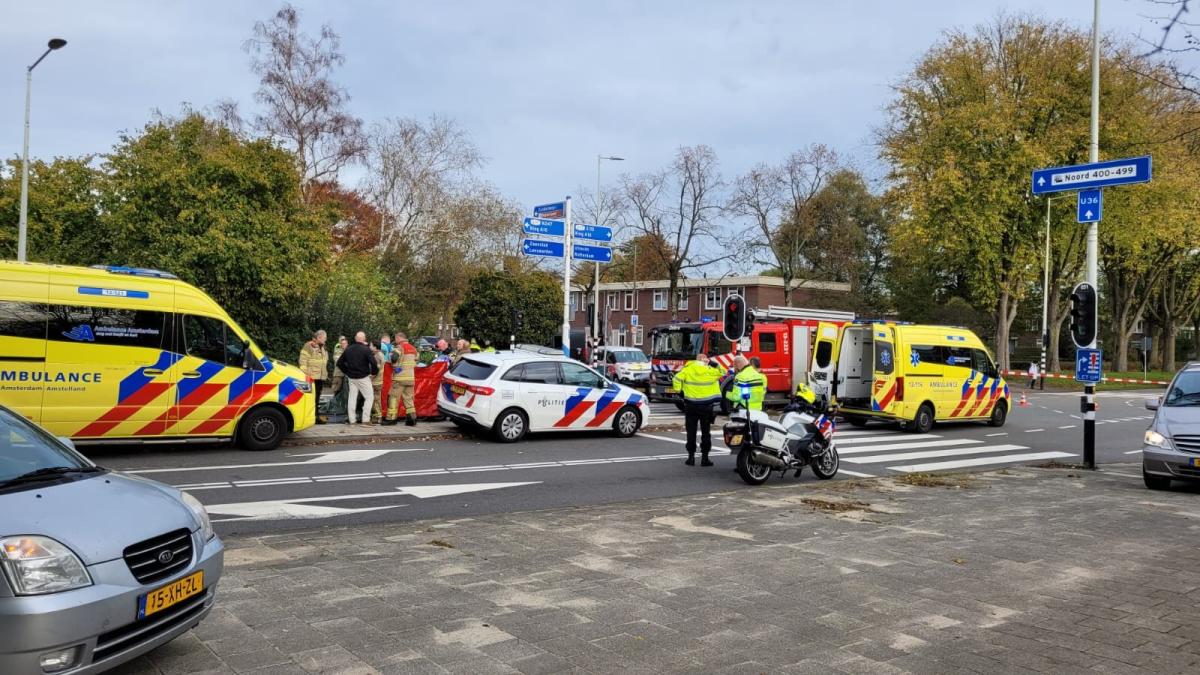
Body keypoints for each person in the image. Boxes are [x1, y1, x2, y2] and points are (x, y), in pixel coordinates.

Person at [673, 352, 723, 467]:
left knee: (691, 432)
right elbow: (723, 372)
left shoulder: (688, 369)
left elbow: (676, 379)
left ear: (696, 360)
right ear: (705, 360)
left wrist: (679, 391)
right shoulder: (710, 370)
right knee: (706, 432)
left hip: (691, 405)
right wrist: (712, 363)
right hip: (706, 406)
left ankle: (691, 458)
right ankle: (705, 458)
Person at [336, 332, 377, 424]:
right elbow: (373, 363)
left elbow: (339, 363)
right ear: (364, 339)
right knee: (369, 397)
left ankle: (352, 420)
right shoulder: (366, 349)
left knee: (352, 397)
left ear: (355, 338)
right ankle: (366, 420)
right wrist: (373, 373)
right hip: (363, 377)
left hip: (351, 377)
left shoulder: (348, 349)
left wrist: (347, 372)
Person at [384, 332, 420, 426]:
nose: (395, 341)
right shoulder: (413, 349)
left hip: (399, 378)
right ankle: (412, 419)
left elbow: (394, 357)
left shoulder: (399, 347)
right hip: (411, 378)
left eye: (396, 339)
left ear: (399, 338)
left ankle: (391, 419)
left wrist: (396, 366)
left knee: (393, 397)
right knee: (408, 398)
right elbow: (417, 361)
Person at [298, 330, 329, 424]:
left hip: (320, 377)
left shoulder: (323, 347)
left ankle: (315, 416)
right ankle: (311, 417)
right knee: (311, 398)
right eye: (324, 337)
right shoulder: (308, 346)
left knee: (317, 398)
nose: (325, 339)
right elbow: (303, 362)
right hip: (311, 378)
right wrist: (307, 375)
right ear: (319, 337)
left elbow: (324, 362)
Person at [370, 343, 387, 424]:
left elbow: (376, 370)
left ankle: (377, 417)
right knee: (377, 399)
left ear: (375, 347)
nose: (370, 347)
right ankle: (378, 416)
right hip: (379, 380)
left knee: (375, 400)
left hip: (375, 381)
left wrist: (370, 378)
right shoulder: (381, 355)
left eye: (371, 345)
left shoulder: (377, 356)